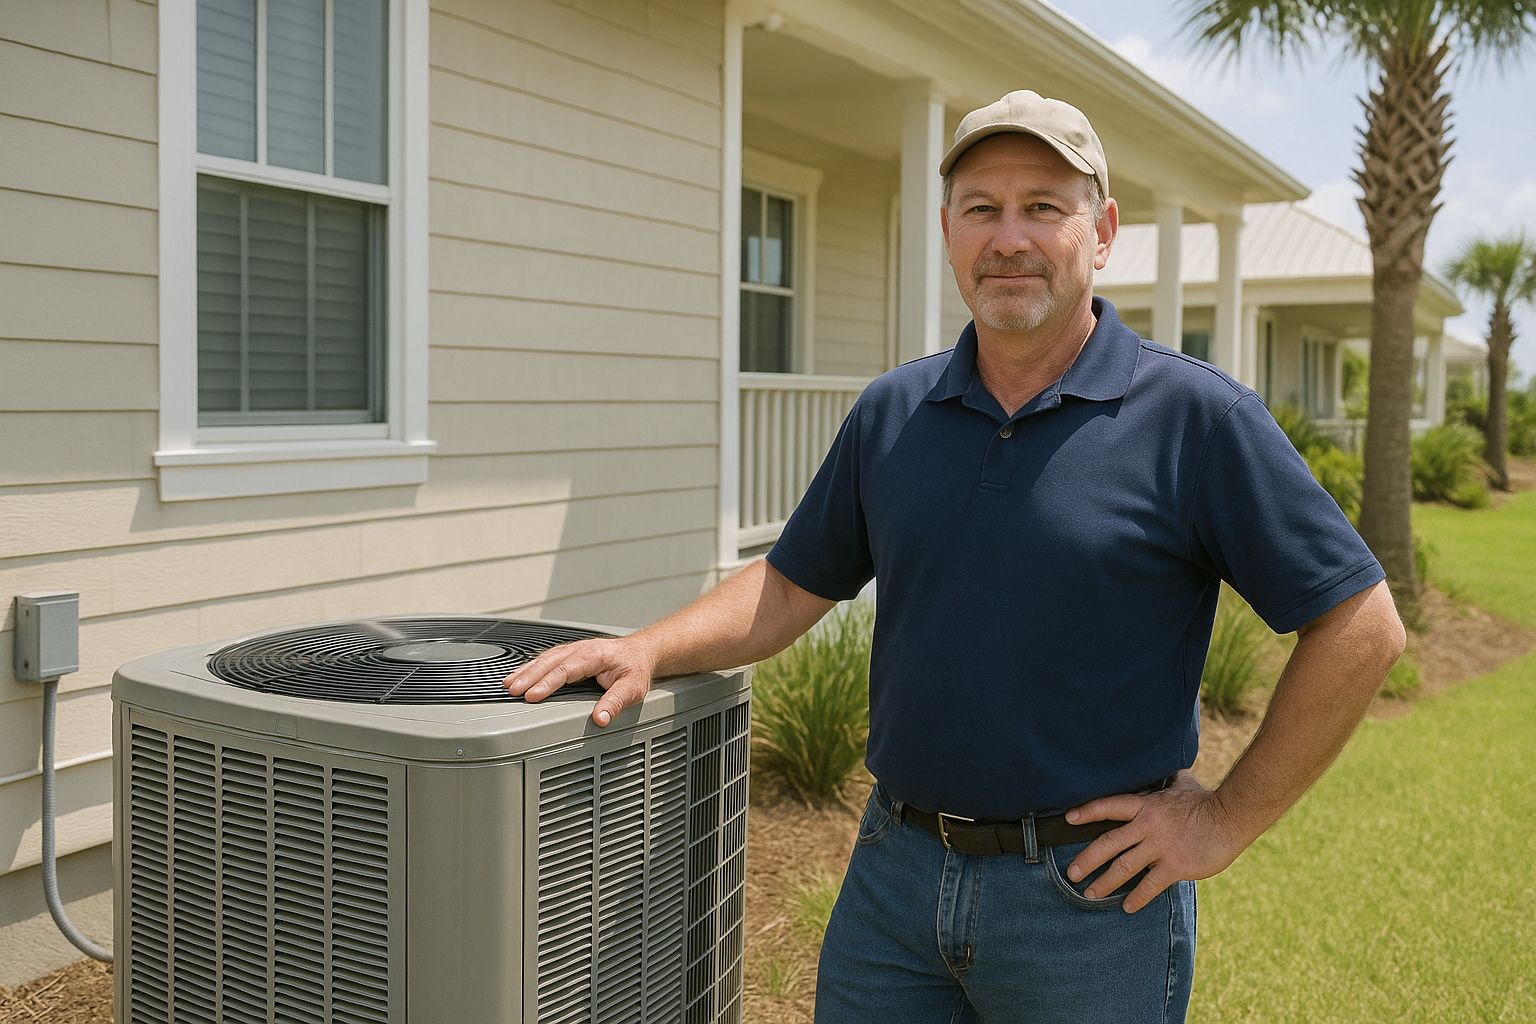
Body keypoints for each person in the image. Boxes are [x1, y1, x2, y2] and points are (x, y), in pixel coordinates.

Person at [505, 90, 1406, 1023]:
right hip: (894, 880)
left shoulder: (1197, 420)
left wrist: (1223, 820)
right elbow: (789, 583)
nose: (1008, 237)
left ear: (1100, 233)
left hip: (1088, 905)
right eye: (982, 208)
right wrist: (649, 648)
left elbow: (1360, 624)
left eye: (1042, 207)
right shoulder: (894, 413)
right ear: (947, 231)